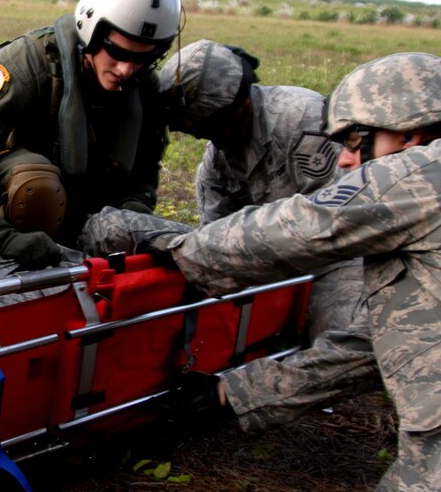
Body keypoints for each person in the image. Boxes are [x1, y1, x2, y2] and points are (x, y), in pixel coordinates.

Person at [87, 52, 441, 492]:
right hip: (312, 264)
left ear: (411, 132)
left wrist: (165, 241)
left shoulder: (423, 173)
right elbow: (380, 344)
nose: (346, 160)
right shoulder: (223, 161)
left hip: (328, 262)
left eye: (357, 141)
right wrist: (232, 393)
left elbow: (302, 229)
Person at [156, 39, 379, 431]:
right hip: (275, 268)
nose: (211, 137)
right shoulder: (217, 165)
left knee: (349, 339)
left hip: (339, 258)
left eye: (214, 124)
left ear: (239, 103)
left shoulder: (305, 121)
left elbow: (344, 223)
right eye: (201, 130)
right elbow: (215, 238)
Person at [0, 0, 184, 271]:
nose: (126, 69)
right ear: (92, 29)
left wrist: (130, 222)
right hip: (24, 218)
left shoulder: (144, 89)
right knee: (37, 188)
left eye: (144, 58)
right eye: (118, 52)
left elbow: (145, 169)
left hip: (96, 218)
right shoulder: (27, 64)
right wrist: (1, 236)